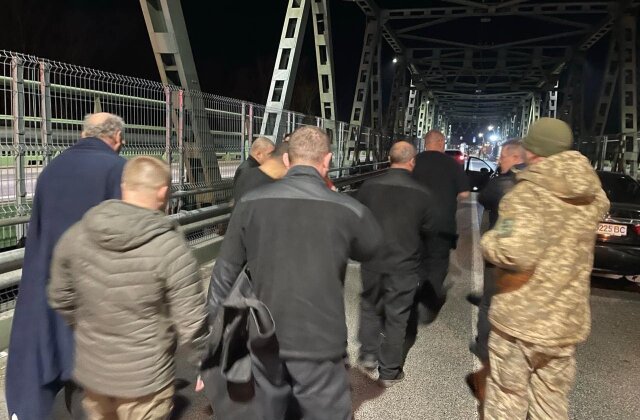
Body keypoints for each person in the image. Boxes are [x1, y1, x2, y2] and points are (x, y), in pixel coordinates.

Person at [207, 126, 382, 420]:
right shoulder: (347, 209)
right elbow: (373, 248)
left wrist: (214, 343)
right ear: (327, 161)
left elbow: (224, 274)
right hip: (321, 342)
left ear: (287, 160)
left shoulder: (250, 203)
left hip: (263, 337)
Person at [48, 156, 209, 420]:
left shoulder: (78, 233)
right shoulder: (170, 246)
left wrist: (87, 327)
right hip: (146, 379)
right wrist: (206, 363)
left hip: (94, 374)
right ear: (163, 192)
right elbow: (191, 321)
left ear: (125, 186)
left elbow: (59, 296)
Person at [480, 118, 609, 419]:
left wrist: (489, 241)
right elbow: (601, 206)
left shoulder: (527, 195)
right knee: (551, 400)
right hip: (566, 320)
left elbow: (514, 253)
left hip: (522, 319)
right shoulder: (591, 194)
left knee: (508, 395)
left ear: (532, 151)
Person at [6, 113, 127, 420]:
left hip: (47, 285)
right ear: (115, 138)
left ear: (84, 134)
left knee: (48, 357)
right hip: (95, 296)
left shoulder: (52, 169)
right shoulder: (118, 169)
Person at [355, 141, 436, 387]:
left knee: (370, 304)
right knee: (397, 316)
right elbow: (429, 231)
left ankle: (368, 353)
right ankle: (389, 371)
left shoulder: (369, 187)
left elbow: (358, 219)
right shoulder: (423, 193)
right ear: (412, 161)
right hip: (404, 265)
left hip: (372, 260)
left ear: (390, 158)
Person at [466, 139, 526, 401]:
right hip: (526, 260)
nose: (500, 160)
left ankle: (484, 347)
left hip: (500, 255)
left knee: (489, 303)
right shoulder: (539, 184)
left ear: (514, 157)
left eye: (503, 156)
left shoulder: (503, 183)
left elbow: (484, 197)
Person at [412, 130, 470, 321]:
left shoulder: (414, 161)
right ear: (441, 143)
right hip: (443, 223)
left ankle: (415, 294)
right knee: (438, 262)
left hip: (416, 221)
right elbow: (465, 194)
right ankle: (428, 306)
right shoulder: (452, 164)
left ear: (426, 143)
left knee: (418, 258)